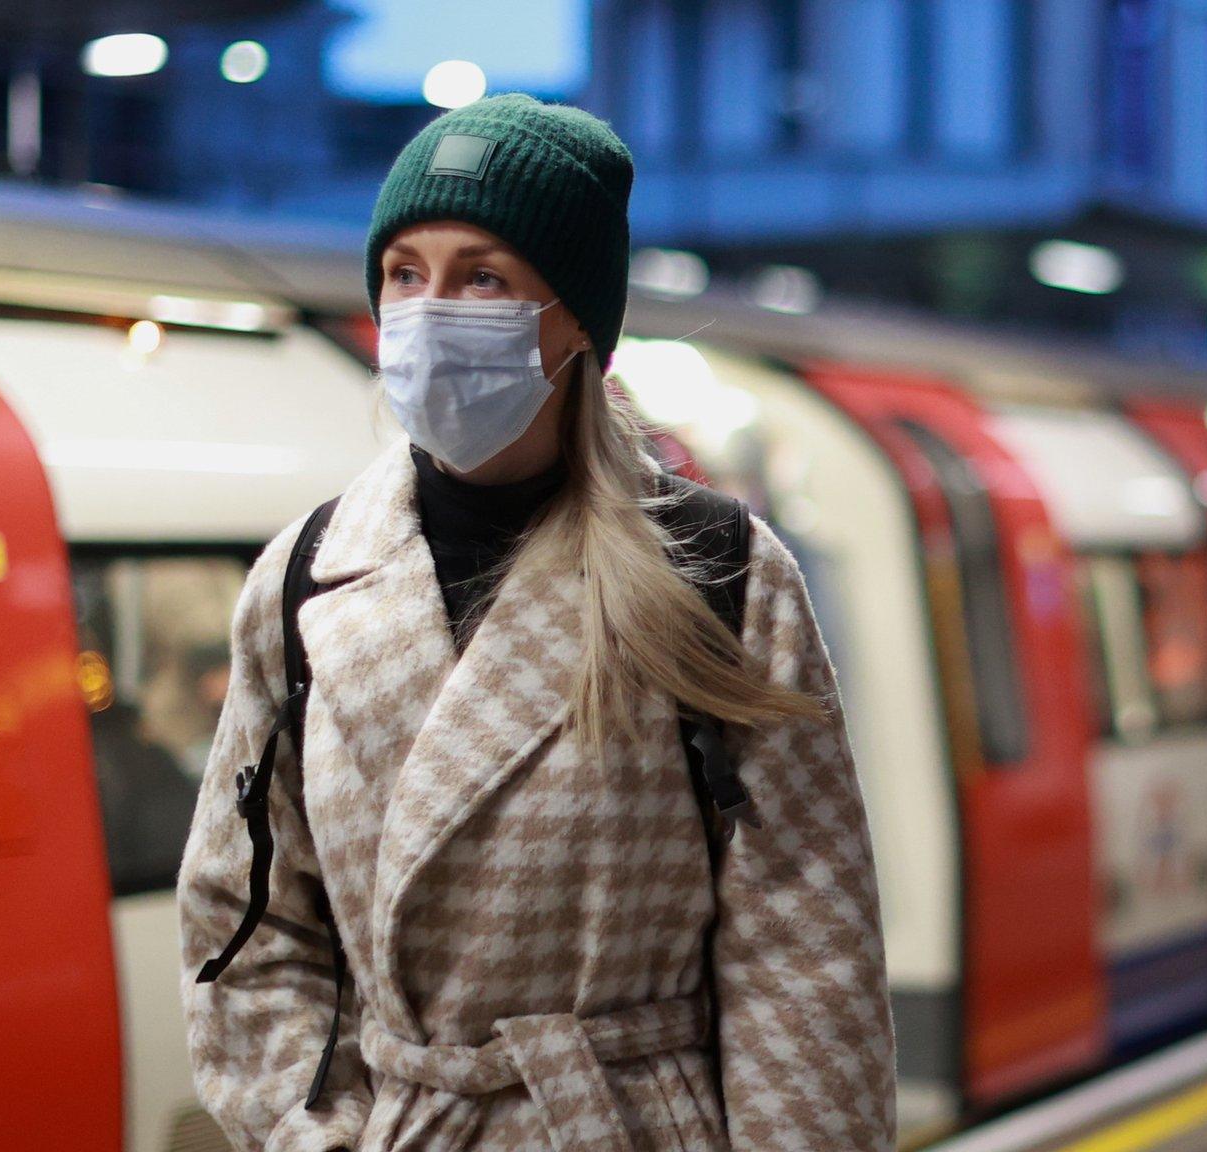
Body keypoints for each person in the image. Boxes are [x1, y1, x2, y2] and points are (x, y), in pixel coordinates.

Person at [177, 92, 895, 1152]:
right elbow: (246, 920)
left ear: (575, 323)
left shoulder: (717, 574)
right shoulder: (304, 577)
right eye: (403, 274)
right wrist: (309, 1134)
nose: (427, 312)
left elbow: (801, 950)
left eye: (482, 276)